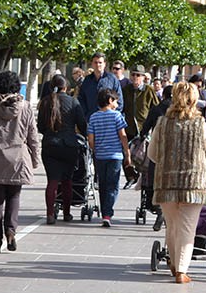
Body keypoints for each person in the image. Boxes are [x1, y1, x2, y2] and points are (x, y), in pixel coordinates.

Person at [148, 82, 206, 284]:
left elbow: (151, 155)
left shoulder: (161, 123)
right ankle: (181, 271)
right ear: (194, 100)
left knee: (171, 226)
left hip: (166, 183)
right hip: (193, 185)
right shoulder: (201, 126)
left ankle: (173, 263)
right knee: (187, 228)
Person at [0, 71, 40, 253]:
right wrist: (35, 159)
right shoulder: (25, 107)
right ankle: (10, 231)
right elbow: (32, 136)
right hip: (18, 158)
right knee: (14, 196)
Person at [37, 74, 87, 224]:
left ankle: (50, 214)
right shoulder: (73, 102)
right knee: (67, 181)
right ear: (67, 87)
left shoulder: (45, 102)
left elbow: (40, 126)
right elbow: (82, 124)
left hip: (50, 145)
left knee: (52, 182)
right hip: (69, 146)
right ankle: (67, 213)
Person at [88, 88, 131, 227]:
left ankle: (104, 212)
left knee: (103, 184)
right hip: (115, 155)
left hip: (100, 156)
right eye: (116, 101)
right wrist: (127, 153)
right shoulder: (117, 116)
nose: (117, 104)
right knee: (113, 185)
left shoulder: (93, 117)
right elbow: (123, 136)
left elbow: (91, 140)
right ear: (110, 101)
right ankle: (107, 213)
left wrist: (96, 149)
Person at [140, 85, 173, 231]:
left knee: (155, 182)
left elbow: (145, 129)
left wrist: (142, 136)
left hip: (157, 150)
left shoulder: (156, 109)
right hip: (173, 152)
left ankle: (160, 211)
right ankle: (168, 212)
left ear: (163, 96)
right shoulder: (179, 111)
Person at [78, 52, 124, 119]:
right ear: (92, 64)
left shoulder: (112, 79)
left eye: (100, 62)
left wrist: (113, 116)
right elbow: (81, 99)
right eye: (95, 62)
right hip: (91, 119)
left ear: (104, 64)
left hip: (109, 119)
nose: (98, 65)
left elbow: (119, 100)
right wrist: (86, 115)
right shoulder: (87, 80)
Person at [122, 64, 160, 140]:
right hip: (129, 130)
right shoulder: (126, 90)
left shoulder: (149, 90)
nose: (135, 77)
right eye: (133, 75)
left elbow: (156, 108)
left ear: (143, 77)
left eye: (138, 75)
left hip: (144, 129)